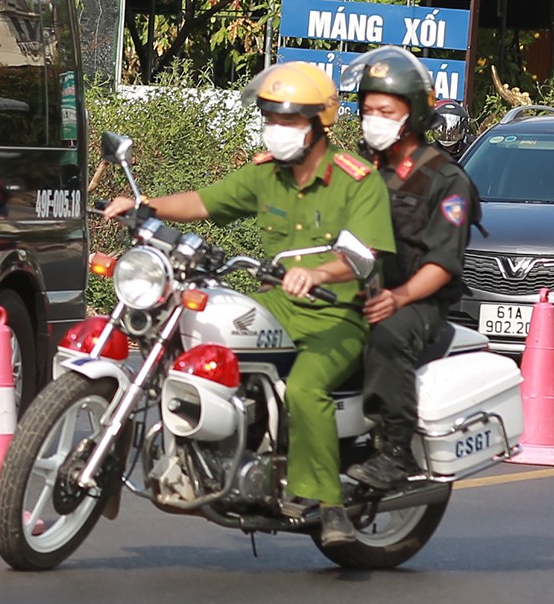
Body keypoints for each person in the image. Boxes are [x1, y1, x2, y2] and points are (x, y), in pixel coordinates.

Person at [98, 60, 395, 530]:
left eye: (290, 120)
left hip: (337, 315)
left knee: (304, 387)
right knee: (210, 342)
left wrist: (317, 275)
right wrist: (143, 206)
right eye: (272, 119)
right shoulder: (265, 175)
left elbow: (364, 254)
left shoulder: (357, 180)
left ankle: (328, 504)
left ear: (320, 124)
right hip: (275, 303)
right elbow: (204, 202)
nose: (277, 130)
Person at [342, 48, 479, 493]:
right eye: (367, 110)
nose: (373, 119)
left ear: (414, 114)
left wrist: (398, 298)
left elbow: (443, 262)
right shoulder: (360, 170)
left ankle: (394, 451)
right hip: (357, 287)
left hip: (418, 302)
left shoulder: (444, 179)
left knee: (387, 332)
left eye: (387, 111)